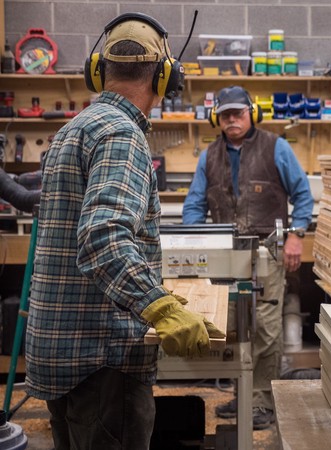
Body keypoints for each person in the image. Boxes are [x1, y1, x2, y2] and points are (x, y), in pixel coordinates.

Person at [25, 13, 223, 450]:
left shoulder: (72, 129)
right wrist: (160, 307)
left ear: (99, 71)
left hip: (62, 353)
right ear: (165, 76)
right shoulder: (122, 136)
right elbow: (104, 239)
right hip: (102, 359)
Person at [182, 85, 314, 429]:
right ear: (218, 118)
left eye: (238, 113)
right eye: (226, 114)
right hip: (224, 253)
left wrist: (296, 235)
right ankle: (242, 396)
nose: (232, 119)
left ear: (250, 113)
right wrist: (192, 244)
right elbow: (194, 205)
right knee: (232, 327)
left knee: (266, 329)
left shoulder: (276, 147)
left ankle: (262, 402)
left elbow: (302, 195)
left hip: (268, 250)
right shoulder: (208, 156)